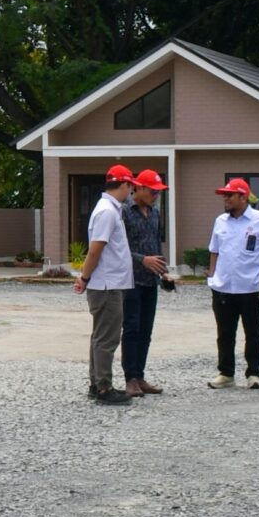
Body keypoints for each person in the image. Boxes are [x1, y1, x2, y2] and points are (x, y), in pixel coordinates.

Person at [74, 164, 137, 405]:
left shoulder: (109, 209)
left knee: (100, 336)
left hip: (108, 283)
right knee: (107, 338)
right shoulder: (107, 212)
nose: (130, 191)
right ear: (124, 185)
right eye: (130, 186)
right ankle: (103, 387)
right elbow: (95, 250)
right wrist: (85, 277)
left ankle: (96, 383)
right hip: (107, 285)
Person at [204, 179, 259, 390]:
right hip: (223, 287)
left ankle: (254, 373)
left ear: (243, 197)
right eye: (224, 194)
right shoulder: (220, 221)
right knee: (225, 333)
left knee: (252, 331)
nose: (225, 198)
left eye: (230, 195)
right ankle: (226, 373)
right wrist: (212, 277)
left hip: (250, 287)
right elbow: (215, 250)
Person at [120, 169, 172, 397]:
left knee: (146, 331)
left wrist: (163, 272)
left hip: (150, 281)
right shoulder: (123, 212)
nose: (156, 195)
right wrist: (143, 260)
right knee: (131, 329)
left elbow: (155, 246)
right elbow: (118, 249)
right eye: (152, 191)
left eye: (158, 192)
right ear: (138, 188)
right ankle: (129, 378)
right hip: (130, 280)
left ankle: (140, 376)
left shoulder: (154, 213)